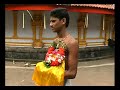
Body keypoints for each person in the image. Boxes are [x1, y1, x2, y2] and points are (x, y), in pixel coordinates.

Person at [49, 8, 79, 86]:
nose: (50, 24)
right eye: (50, 21)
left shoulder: (72, 42)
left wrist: (49, 73)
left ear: (63, 21)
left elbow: (72, 73)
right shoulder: (55, 40)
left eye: (53, 21)